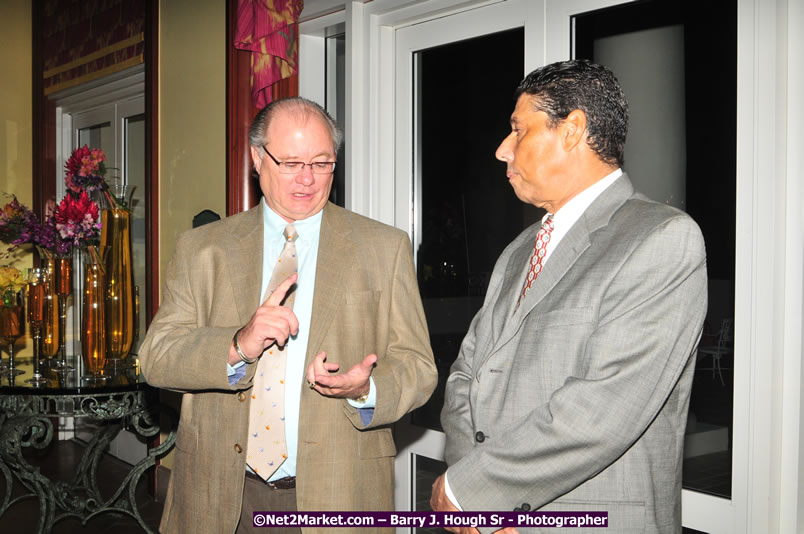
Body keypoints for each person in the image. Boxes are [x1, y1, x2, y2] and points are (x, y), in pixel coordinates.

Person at [430, 59, 708, 533]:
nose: (502, 150)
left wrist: (474, 488)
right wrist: (477, 497)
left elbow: (603, 408)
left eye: (518, 130)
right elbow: (465, 375)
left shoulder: (661, 238)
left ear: (573, 129)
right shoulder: (520, 250)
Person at [139, 97, 437, 534]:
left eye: (321, 163)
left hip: (342, 495)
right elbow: (156, 357)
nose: (307, 179)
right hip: (220, 496)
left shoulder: (383, 247)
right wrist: (237, 344)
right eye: (291, 162)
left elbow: (418, 367)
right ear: (257, 159)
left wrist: (366, 388)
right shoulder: (203, 249)